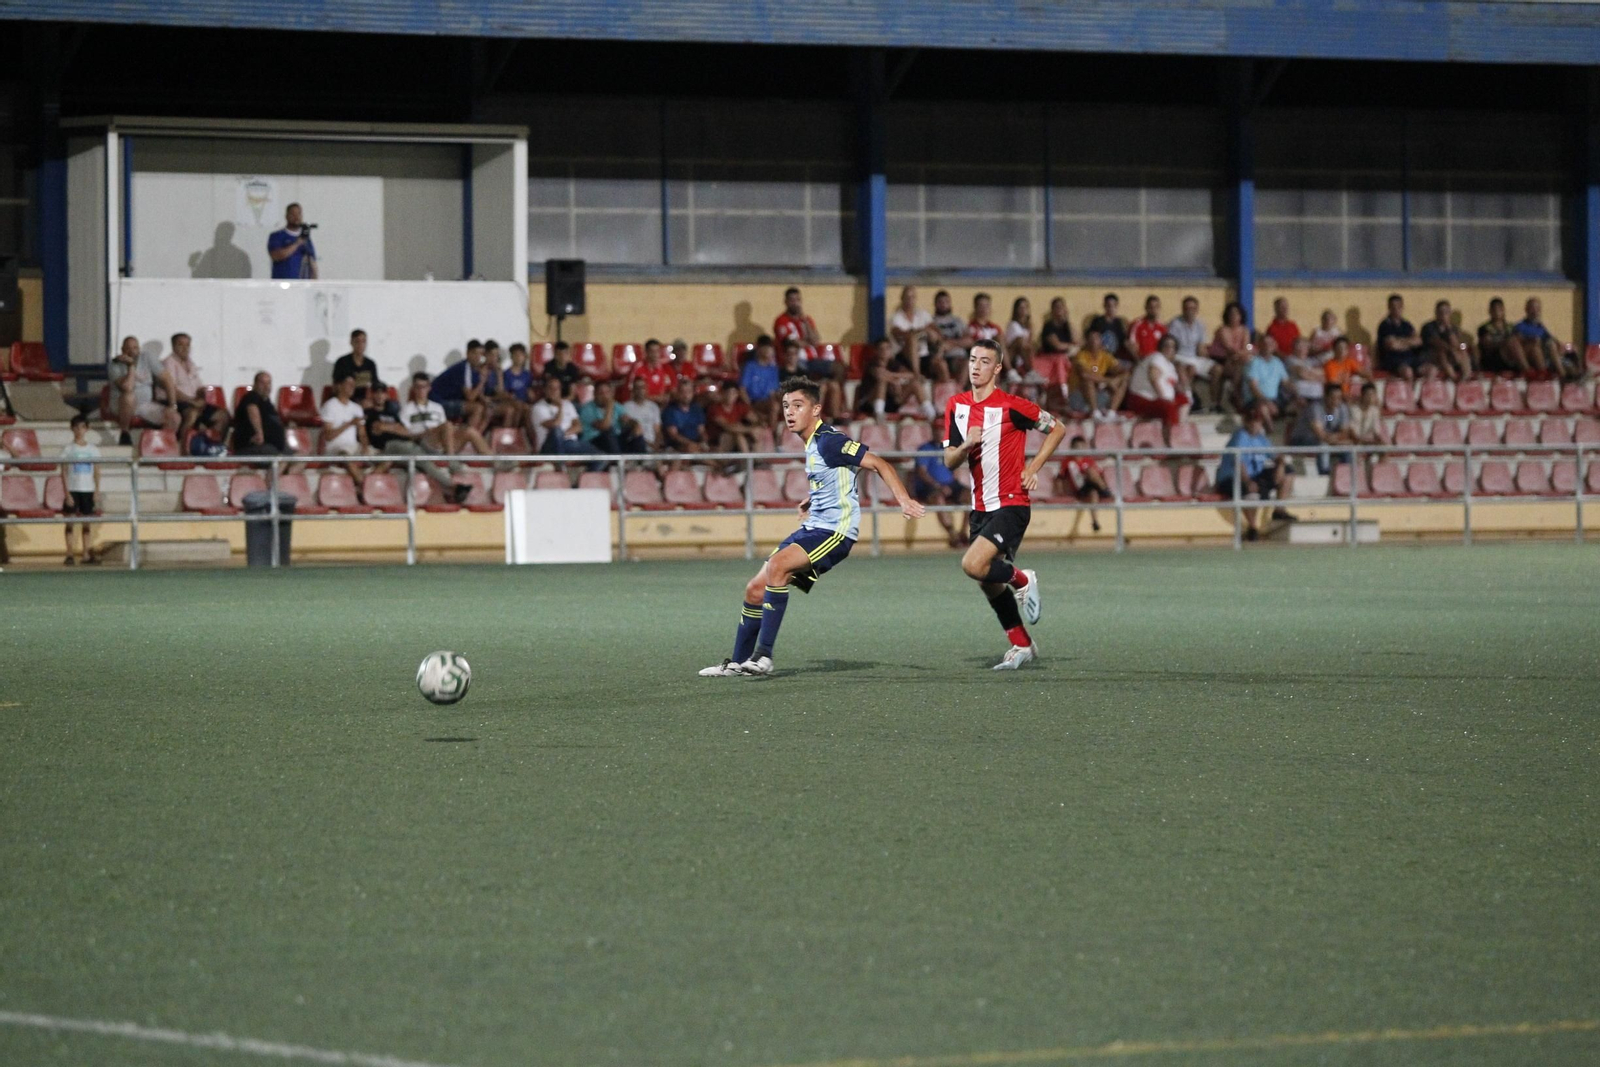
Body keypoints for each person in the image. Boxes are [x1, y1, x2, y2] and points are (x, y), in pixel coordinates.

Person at [699, 377, 924, 678]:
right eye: (785, 406)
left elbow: (880, 464)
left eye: (798, 405)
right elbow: (837, 475)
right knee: (754, 589)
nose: (789, 412)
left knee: (778, 567)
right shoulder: (814, 444)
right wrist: (812, 499)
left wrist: (904, 500)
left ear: (816, 409)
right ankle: (738, 663)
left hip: (835, 532)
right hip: (815, 527)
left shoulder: (830, 440)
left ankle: (763, 657)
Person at [943, 339, 1066, 670]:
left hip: (1012, 503)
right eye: (972, 360)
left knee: (972, 564)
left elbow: (1057, 428)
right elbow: (949, 460)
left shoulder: (1013, 406)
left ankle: (1023, 579)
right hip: (980, 508)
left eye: (984, 361)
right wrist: (966, 444)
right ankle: (1022, 644)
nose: (976, 366)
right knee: (986, 579)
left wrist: (1033, 467)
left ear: (997, 368)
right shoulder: (956, 406)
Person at [373, 374, 470, 503]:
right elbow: (401, 431)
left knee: (467, 431)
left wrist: (389, 427)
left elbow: (404, 430)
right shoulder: (400, 410)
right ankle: (453, 475)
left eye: (423, 387)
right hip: (408, 443)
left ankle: (496, 462)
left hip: (427, 443)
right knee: (424, 457)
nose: (420, 390)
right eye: (418, 387)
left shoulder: (435, 408)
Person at [1215, 405, 1297, 541]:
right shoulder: (1240, 437)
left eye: (1257, 421)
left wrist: (1280, 465)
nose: (1254, 424)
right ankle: (1253, 528)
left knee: (1288, 471)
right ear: (1245, 422)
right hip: (1232, 477)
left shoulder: (1261, 439)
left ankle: (1279, 510)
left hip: (1254, 475)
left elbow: (1275, 456)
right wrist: (1248, 481)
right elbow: (1238, 462)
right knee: (1250, 490)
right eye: (1251, 421)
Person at [108, 335, 178, 445]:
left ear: (139, 349)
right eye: (128, 348)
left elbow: (167, 380)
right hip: (122, 406)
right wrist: (131, 365)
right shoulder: (114, 364)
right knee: (129, 396)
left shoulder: (146, 357)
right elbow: (128, 387)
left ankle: (163, 446)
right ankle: (125, 434)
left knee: (175, 417)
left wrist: (172, 405)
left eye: (135, 348)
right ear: (122, 350)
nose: (132, 351)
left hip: (145, 404)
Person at [910, 428, 967, 548]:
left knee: (971, 496)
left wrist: (952, 484)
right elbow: (922, 472)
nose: (939, 432)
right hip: (930, 487)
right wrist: (938, 486)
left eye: (942, 428)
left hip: (950, 484)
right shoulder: (925, 448)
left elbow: (955, 468)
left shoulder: (950, 447)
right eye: (937, 428)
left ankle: (963, 533)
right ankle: (953, 535)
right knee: (938, 498)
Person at [59, 413, 101, 565]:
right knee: (69, 522)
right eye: (76, 427)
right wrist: (67, 493)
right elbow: (63, 471)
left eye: (82, 427)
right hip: (73, 489)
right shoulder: (68, 449)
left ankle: (86, 554)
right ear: (72, 429)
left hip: (87, 489)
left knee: (86, 523)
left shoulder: (93, 449)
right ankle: (69, 554)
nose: (79, 430)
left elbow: (97, 470)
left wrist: (96, 490)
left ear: (87, 429)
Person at [1288, 382, 1354, 475]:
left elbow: (1344, 431)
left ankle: (1345, 476)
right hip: (1301, 440)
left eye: (1339, 397)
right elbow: (1320, 435)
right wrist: (1337, 441)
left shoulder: (1342, 408)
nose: (1336, 400)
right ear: (1325, 396)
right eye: (1333, 397)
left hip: (1329, 440)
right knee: (1323, 446)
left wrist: (1336, 439)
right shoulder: (1315, 408)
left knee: (1348, 448)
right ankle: (1324, 474)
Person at [1123, 333, 1188, 426]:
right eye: (1166, 346)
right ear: (1161, 347)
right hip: (1142, 398)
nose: (1169, 349)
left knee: (1183, 399)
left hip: (1157, 400)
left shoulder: (1170, 366)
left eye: (1172, 347)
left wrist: (1182, 376)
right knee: (1168, 407)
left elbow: (1175, 385)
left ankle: (1180, 426)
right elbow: (1153, 378)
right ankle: (1173, 434)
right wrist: (1164, 398)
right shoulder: (1157, 357)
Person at [1167, 295, 1218, 409]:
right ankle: (1187, 399)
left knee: (1217, 369)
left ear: (1197, 310)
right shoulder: (1175, 324)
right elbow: (1172, 346)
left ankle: (1214, 404)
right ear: (1183, 309)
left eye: (1193, 308)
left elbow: (1201, 348)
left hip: (1195, 357)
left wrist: (1208, 355)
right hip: (1180, 356)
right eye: (1187, 308)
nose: (1190, 311)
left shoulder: (1200, 325)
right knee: (1190, 368)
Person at [430, 340, 491, 433]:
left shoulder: (474, 370)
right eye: (475, 353)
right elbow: (470, 397)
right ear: (467, 353)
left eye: (480, 354)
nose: (478, 357)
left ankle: (476, 437)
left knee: (487, 409)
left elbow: (477, 394)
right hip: (438, 403)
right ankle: (465, 439)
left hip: (452, 400)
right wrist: (482, 381)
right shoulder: (463, 368)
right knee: (477, 408)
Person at [855, 337, 921, 421]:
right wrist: (895, 380)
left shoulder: (893, 363)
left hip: (890, 400)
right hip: (870, 403)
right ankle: (879, 413)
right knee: (882, 382)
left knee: (915, 384)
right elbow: (880, 375)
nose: (885, 352)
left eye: (887, 348)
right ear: (876, 351)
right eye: (881, 349)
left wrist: (893, 376)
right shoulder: (871, 364)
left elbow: (911, 375)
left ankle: (930, 413)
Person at [1068, 328, 1127, 421]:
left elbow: (1123, 371)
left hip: (1098, 395)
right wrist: (1109, 381)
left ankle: (1111, 413)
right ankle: (1094, 413)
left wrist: (1116, 380)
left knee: (1123, 381)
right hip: (1079, 397)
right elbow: (1084, 374)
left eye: (1096, 339)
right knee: (1088, 381)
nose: (1093, 342)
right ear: (1087, 341)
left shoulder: (1105, 356)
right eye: (1091, 339)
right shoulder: (1080, 355)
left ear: (1100, 341)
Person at [319, 374, 369, 483]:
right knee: (345, 457)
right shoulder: (330, 406)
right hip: (336, 448)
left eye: (353, 385)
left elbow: (362, 434)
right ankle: (365, 487)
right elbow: (328, 436)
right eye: (349, 384)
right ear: (339, 386)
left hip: (354, 447)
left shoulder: (357, 408)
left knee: (384, 457)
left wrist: (365, 447)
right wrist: (349, 423)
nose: (352, 387)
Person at [1511, 297, 1576, 381]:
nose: (1535, 311)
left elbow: (1551, 339)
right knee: (1547, 346)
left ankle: (1575, 378)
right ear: (1526, 310)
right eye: (1532, 308)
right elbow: (1518, 345)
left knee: (1570, 352)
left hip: (1547, 357)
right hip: (1532, 357)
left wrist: (1559, 345)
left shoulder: (1541, 327)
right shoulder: (1520, 327)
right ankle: (1562, 376)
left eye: (1537, 309)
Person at [162, 332, 210, 440]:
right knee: (192, 413)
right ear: (173, 346)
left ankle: (211, 445)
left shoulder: (191, 364)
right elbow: (172, 390)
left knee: (222, 416)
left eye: (187, 345)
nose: (185, 348)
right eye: (181, 345)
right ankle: (182, 445)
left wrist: (202, 398)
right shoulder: (168, 363)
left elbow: (200, 387)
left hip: (193, 401)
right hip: (177, 401)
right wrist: (192, 402)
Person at [1057, 435, 1109, 533]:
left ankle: (1095, 521)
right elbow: (1060, 477)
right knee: (1090, 471)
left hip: (1091, 486)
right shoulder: (1067, 461)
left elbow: (1099, 474)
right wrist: (1061, 492)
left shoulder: (1088, 460)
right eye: (1077, 447)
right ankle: (1105, 491)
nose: (1080, 449)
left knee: (1093, 493)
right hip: (1079, 487)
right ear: (1072, 448)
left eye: (1082, 446)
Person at [529, 376, 591, 458]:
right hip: (548, 446)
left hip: (570, 443)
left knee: (601, 457)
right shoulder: (538, 407)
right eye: (551, 388)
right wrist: (560, 407)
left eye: (557, 388)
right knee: (556, 431)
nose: (554, 391)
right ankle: (561, 467)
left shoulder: (568, 404)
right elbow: (555, 425)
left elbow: (578, 427)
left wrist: (563, 435)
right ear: (545, 390)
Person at [1033, 297, 1077, 410]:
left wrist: (1068, 322)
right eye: (1057, 308)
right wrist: (1070, 346)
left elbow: (1077, 341)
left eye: (1062, 308)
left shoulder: (1066, 326)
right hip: (1047, 359)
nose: (1060, 310)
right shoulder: (1049, 326)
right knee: (1061, 361)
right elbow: (1057, 345)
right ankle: (1063, 391)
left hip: (1064, 358)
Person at [230, 372, 289, 456]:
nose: (266, 387)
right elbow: (252, 410)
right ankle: (278, 468)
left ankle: (283, 468)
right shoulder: (251, 397)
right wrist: (259, 433)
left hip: (276, 446)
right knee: (280, 459)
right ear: (255, 384)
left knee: (301, 458)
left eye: (268, 383)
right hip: (254, 447)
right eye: (262, 383)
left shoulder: (267, 403)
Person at [1210, 301, 1252, 413]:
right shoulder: (1223, 330)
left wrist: (1246, 351)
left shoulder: (1245, 330)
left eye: (1236, 314)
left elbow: (1248, 346)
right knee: (1237, 364)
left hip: (1237, 359)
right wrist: (1242, 353)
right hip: (1223, 360)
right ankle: (1233, 396)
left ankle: (1237, 396)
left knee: (1243, 363)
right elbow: (1229, 347)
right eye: (1231, 314)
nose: (1234, 316)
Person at [1242, 335, 1291, 429]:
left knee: (1300, 406)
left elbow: (1286, 382)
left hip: (1274, 400)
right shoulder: (1254, 362)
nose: (1268, 346)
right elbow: (1253, 387)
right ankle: (1270, 431)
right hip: (1255, 400)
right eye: (1265, 343)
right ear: (1259, 345)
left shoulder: (1277, 362)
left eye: (1270, 343)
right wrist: (1267, 402)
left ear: (1274, 346)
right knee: (1263, 408)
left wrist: (1299, 394)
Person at [579, 381, 640, 453]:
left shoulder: (617, 406)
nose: (604, 396)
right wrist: (609, 407)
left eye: (607, 392)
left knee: (635, 431)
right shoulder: (587, 408)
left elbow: (627, 419)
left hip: (615, 439)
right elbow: (605, 426)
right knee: (608, 432)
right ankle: (617, 462)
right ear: (595, 394)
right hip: (594, 441)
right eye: (601, 393)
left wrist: (635, 425)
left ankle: (641, 462)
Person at [1420, 299, 1474, 382]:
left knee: (1463, 351)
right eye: (1441, 312)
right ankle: (1453, 378)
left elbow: (1458, 344)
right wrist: (1452, 350)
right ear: (1436, 313)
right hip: (1431, 356)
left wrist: (1448, 329)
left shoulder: (1454, 328)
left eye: (1446, 312)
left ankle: (1465, 378)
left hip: (1452, 355)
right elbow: (1437, 343)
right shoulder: (1429, 327)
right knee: (1442, 352)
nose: (1443, 315)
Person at [889, 285, 934, 382]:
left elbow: (935, 330)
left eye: (912, 297)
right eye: (907, 297)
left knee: (940, 364)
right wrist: (921, 331)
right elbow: (897, 333)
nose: (910, 300)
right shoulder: (896, 317)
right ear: (902, 299)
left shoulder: (923, 315)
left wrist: (929, 333)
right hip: (903, 356)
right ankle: (917, 374)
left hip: (923, 355)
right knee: (912, 340)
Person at [1376, 293, 1425, 380]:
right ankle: (1409, 393)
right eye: (1393, 307)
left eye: (1399, 306)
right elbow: (1392, 345)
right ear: (1389, 307)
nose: (1396, 309)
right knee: (1408, 372)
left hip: (1409, 358)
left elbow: (1418, 341)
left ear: (1402, 307)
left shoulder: (1406, 325)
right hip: (1392, 360)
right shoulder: (1385, 325)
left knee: (1431, 370)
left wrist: (1400, 341)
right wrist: (1409, 342)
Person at [660, 378, 710, 461]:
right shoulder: (670, 410)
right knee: (691, 449)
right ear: (678, 393)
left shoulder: (696, 409)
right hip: (677, 446)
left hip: (696, 443)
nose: (686, 395)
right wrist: (691, 443)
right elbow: (674, 435)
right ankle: (719, 467)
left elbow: (701, 430)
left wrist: (704, 442)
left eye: (689, 392)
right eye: (683, 392)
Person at [927, 289, 970, 382]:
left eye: (946, 301)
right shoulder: (931, 321)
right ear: (935, 304)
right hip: (942, 357)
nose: (943, 304)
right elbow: (935, 340)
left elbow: (969, 341)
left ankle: (959, 390)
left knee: (969, 363)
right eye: (940, 302)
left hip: (959, 356)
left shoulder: (958, 321)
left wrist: (950, 343)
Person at [267, 202, 317, 280]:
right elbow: (276, 256)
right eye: (293, 214)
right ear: (286, 216)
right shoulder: (276, 236)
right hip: (281, 284)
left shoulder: (306, 239)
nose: (296, 217)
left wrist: (315, 281)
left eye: (299, 214)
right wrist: (297, 244)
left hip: (302, 285)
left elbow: (312, 261)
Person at [740, 335, 782, 426]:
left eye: (770, 348)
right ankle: (772, 434)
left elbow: (773, 391)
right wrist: (749, 406)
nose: (768, 351)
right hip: (754, 401)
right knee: (774, 406)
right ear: (758, 349)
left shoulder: (773, 369)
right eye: (765, 347)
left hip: (768, 402)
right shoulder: (750, 367)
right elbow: (742, 389)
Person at [706, 382, 758, 455]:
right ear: (722, 393)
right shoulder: (715, 409)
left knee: (759, 431)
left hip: (735, 442)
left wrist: (755, 428)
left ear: (737, 395)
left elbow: (756, 420)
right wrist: (749, 430)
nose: (730, 396)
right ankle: (747, 462)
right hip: (718, 443)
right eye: (728, 393)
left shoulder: (739, 407)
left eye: (734, 393)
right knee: (738, 436)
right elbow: (728, 427)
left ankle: (759, 460)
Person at [1477, 298, 1525, 376]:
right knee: (1511, 342)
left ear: (1503, 310)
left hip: (1511, 356)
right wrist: (1505, 343)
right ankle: (1526, 370)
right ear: (1490, 311)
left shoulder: (1511, 327)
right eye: (1495, 309)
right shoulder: (1484, 328)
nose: (1497, 312)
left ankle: (1532, 370)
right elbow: (1487, 344)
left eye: (1499, 309)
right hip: (1494, 357)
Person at [494, 342, 534, 429]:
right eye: (516, 355)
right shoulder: (507, 374)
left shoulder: (527, 374)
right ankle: (513, 431)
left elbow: (529, 390)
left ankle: (530, 436)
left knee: (528, 409)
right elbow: (504, 392)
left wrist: (531, 395)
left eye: (521, 355)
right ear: (511, 357)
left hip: (523, 401)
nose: (519, 358)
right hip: (510, 401)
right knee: (518, 407)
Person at [620, 378, 663, 452]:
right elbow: (629, 431)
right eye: (637, 388)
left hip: (653, 445)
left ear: (646, 389)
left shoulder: (653, 407)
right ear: (633, 390)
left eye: (642, 387)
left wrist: (656, 446)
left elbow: (657, 431)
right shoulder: (626, 407)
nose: (640, 390)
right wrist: (649, 444)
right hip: (635, 444)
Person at [1087, 292, 1129, 363]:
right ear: (1104, 306)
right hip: (1100, 358)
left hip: (1115, 359)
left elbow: (1124, 341)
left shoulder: (1119, 323)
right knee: (1095, 369)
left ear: (1117, 307)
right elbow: (1092, 339)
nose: (1111, 309)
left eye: (1114, 306)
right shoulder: (1098, 321)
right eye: (1109, 306)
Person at [1003, 297, 1036, 379]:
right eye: (1021, 308)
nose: (1023, 310)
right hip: (1012, 356)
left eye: (1025, 307)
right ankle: (1029, 371)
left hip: (1022, 354)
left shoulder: (1028, 327)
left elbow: (1030, 344)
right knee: (1020, 341)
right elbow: (1020, 343)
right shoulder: (1013, 325)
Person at [1348, 381, 1383, 447]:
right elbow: (1351, 431)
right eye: (1368, 395)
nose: (1370, 398)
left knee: (1383, 449)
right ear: (1362, 395)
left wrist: (1379, 441)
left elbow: (1376, 431)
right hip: (1353, 441)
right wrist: (1360, 441)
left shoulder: (1375, 411)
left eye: (1373, 395)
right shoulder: (1353, 409)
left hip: (1366, 441)